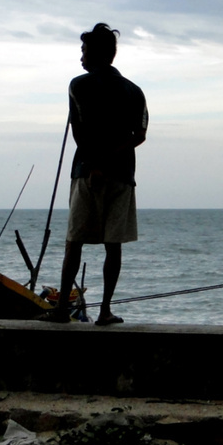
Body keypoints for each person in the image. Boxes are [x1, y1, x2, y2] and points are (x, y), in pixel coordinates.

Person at [53, 23, 148, 326]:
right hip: (122, 175)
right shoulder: (134, 91)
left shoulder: (78, 85)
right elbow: (140, 134)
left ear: (94, 52)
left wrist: (95, 164)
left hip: (85, 172)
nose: (80, 56)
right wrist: (111, 158)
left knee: (74, 240)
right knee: (113, 244)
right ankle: (105, 310)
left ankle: (60, 311)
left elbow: (79, 132)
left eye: (83, 50)